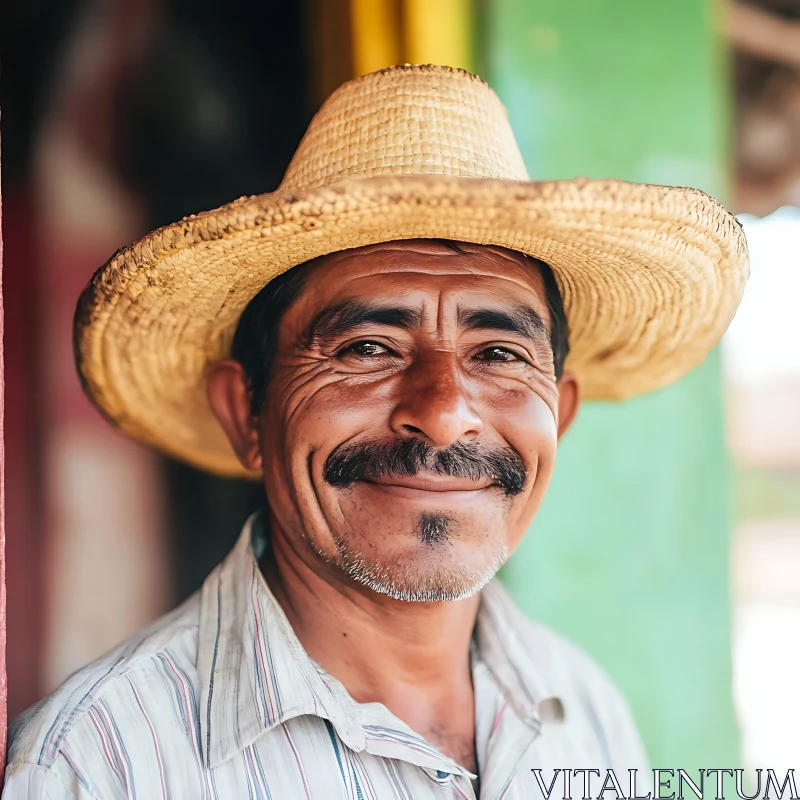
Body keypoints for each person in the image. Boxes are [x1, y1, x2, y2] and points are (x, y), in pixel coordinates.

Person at [3, 64, 748, 799]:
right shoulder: (100, 764)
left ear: (562, 414)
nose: (444, 410)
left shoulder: (583, 710)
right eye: (366, 349)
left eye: (499, 354)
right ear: (247, 413)